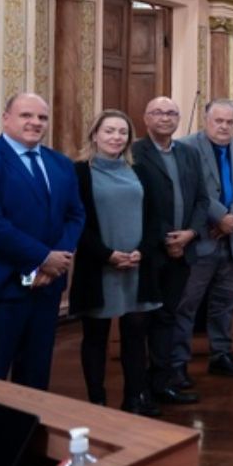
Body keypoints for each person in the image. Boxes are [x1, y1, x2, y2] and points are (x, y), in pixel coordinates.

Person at [0, 93, 85, 390]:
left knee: (36, 373)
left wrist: (55, 261)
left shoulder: (61, 164)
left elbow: (75, 214)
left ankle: (28, 433)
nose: (35, 123)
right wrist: (41, 259)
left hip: (46, 286)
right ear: (6, 118)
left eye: (42, 117)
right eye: (26, 115)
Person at [71, 110, 164, 415]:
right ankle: (97, 400)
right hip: (99, 268)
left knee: (136, 337)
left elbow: (155, 219)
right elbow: (76, 222)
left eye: (122, 132)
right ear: (94, 135)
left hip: (138, 267)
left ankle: (134, 397)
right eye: (109, 131)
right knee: (96, 337)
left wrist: (143, 252)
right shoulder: (79, 173)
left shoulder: (140, 172)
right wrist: (106, 255)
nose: (116, 137)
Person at [176, 99, 233, 379]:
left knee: (225, 303)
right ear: (206, 120)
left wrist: (231, 220)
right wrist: (219, 218)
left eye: (229, 122)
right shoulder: (187, 147)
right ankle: (177, 364)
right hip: (201, 240)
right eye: (218, 121)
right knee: (187, 304)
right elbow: (194, 190)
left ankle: (221, 355)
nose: (224, 126)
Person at [132, 96, 207, 405]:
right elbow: (138, 202)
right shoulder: (134, 152)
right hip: (150, 251)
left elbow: (202, 199)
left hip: (184, 250)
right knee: (142, 321)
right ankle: (139, 389)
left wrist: (189, 233)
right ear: (146, 118)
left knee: (168, 318)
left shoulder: (188, 153)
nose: (166, 118)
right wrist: (166, 238)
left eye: (172, 113)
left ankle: (162, 383)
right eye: (158, 112)